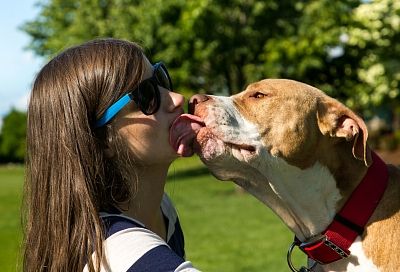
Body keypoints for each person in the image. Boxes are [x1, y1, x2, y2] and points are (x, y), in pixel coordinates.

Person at [23, 38, 200, 271]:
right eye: (146, 96)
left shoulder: (161, 209)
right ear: (101, 139)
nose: (177, 99)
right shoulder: (123, 256)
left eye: (160, 79)